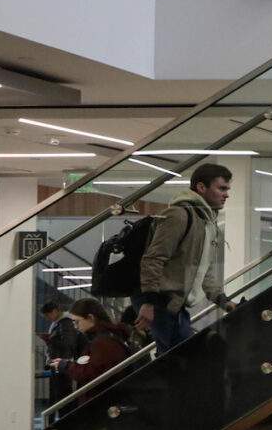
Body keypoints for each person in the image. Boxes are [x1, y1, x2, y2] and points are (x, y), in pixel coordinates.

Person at [137, 162, 239, 353]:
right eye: (221, 188)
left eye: (227, 189)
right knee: (187, 359)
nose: (226, 194)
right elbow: (154, 259)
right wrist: (148, 302)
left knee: (176, 361)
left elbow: (204, 270)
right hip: (159, 302)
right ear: (201, 187)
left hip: (175, 305)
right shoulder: (178, 216)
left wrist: (222, 300)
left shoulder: (207, 222)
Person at [64, 297, 134, 399]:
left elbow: (93, 373)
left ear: (90, 317)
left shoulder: (103, 343)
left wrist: (68, 367)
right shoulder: (110, 337)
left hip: (100, 401)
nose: (75, 326)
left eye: (77, 321)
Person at [40, 299, 82, 402]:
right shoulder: (57, 324)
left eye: (47, 315)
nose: (47, 318)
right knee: (57, 394)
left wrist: (51, 340)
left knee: (62, 394)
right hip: (59, 362)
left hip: (62, 362)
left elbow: (68, 343)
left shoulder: (65, 323)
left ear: (54, 311)